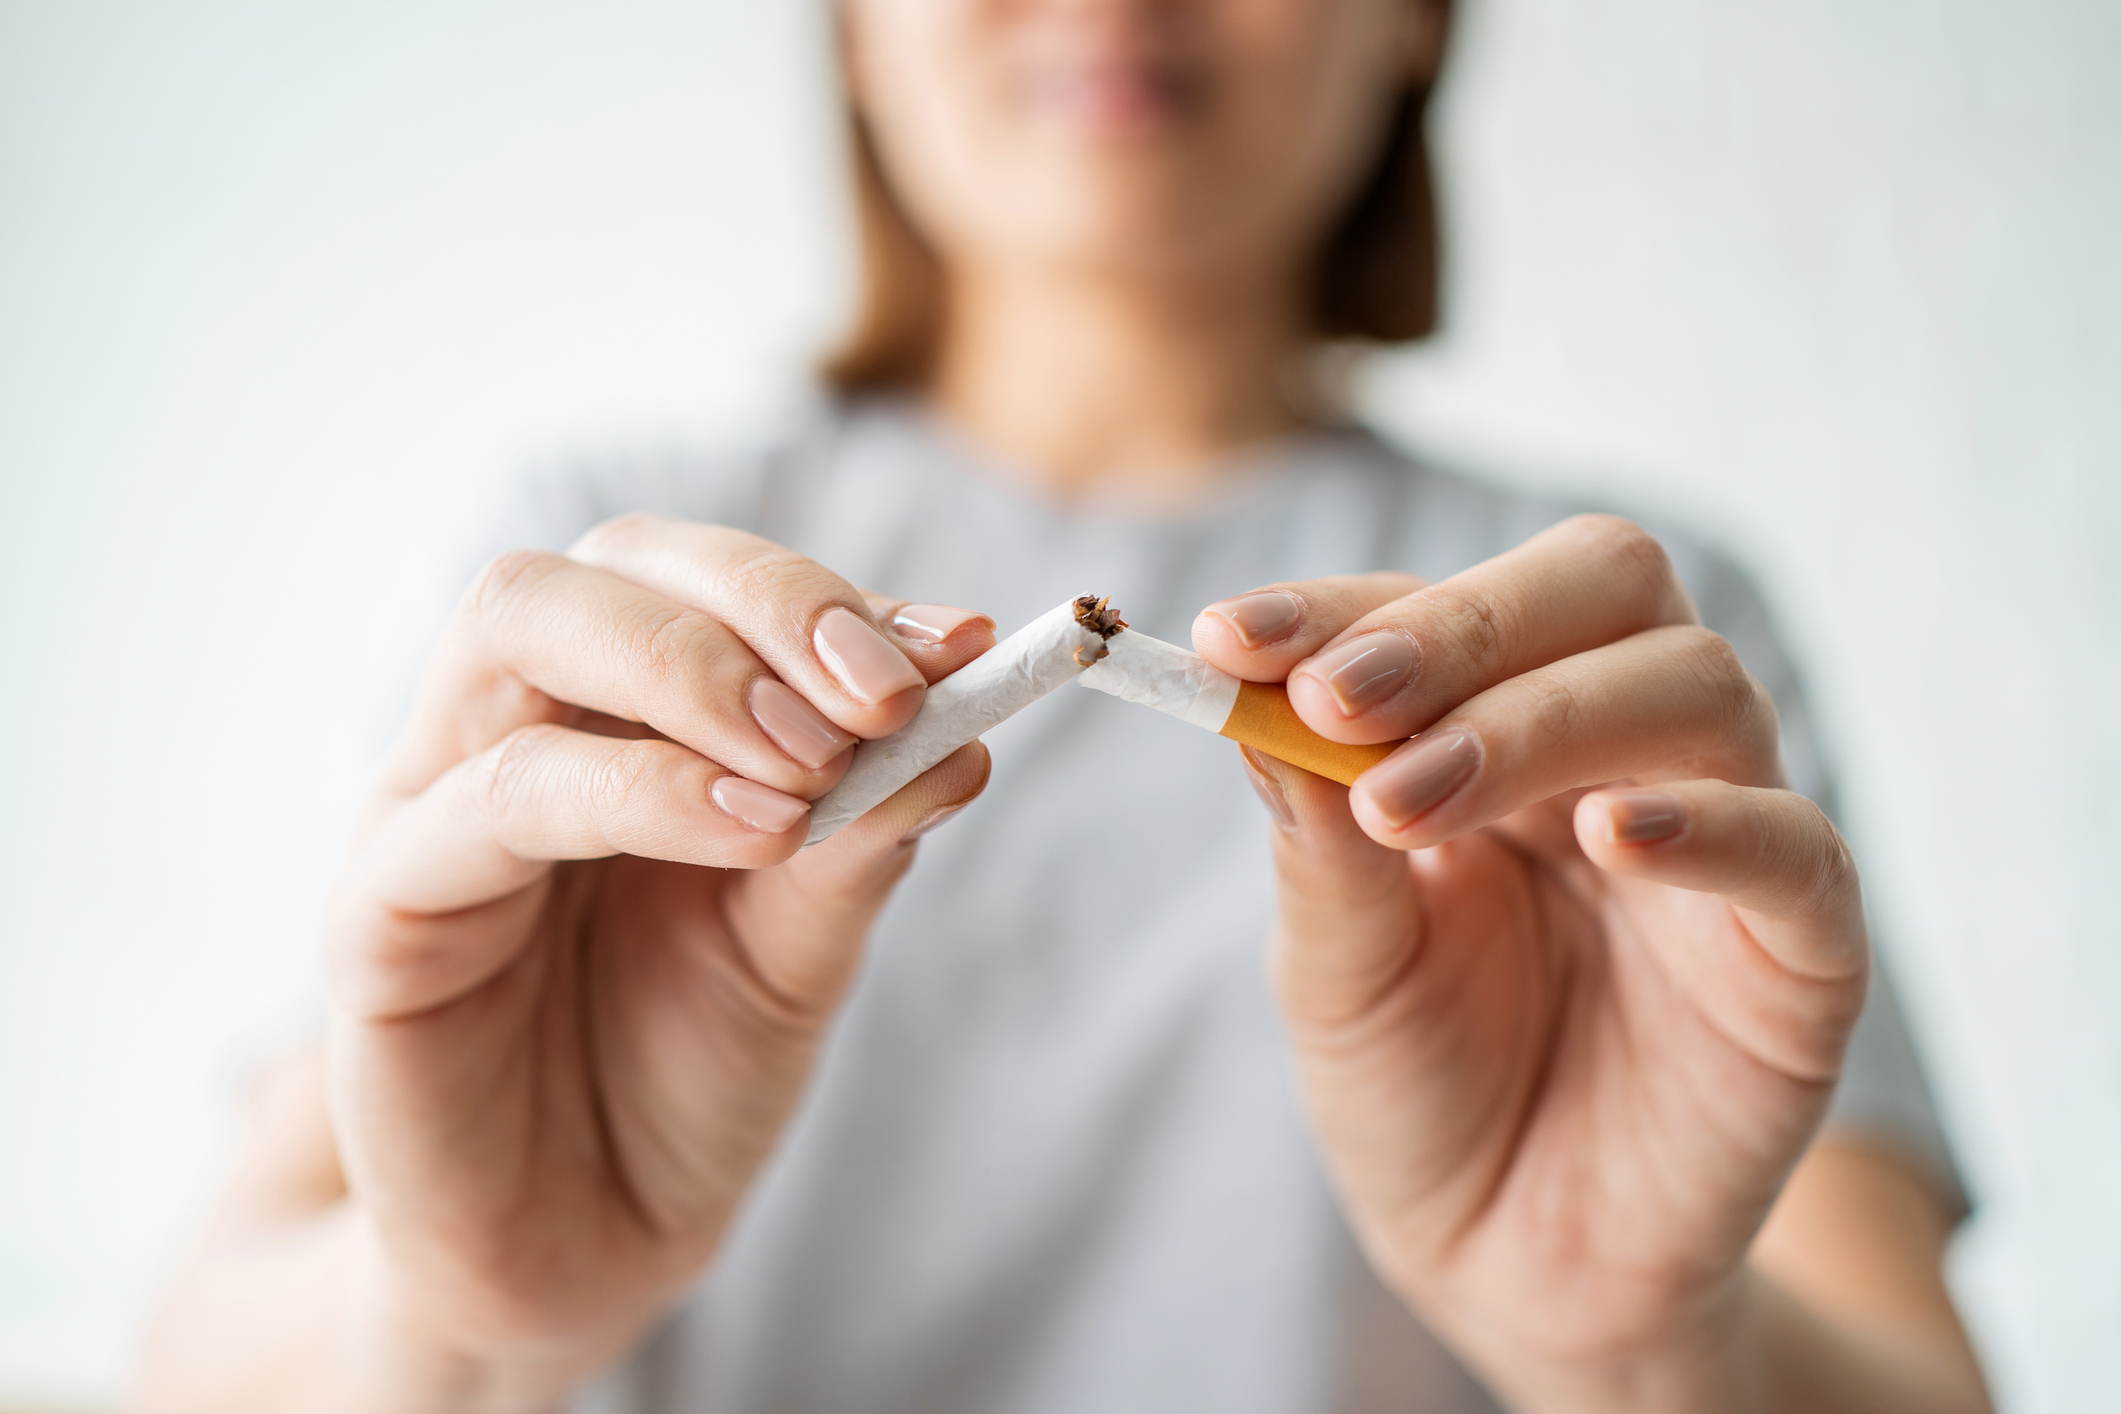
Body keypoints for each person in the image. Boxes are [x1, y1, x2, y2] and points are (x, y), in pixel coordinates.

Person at [135, 2, 1991, 1411]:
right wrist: (452, 1313)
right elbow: (185, 1355)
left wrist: (1649, 1344)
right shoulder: (604, 574)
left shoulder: (1614, 637)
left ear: (1418, 15)